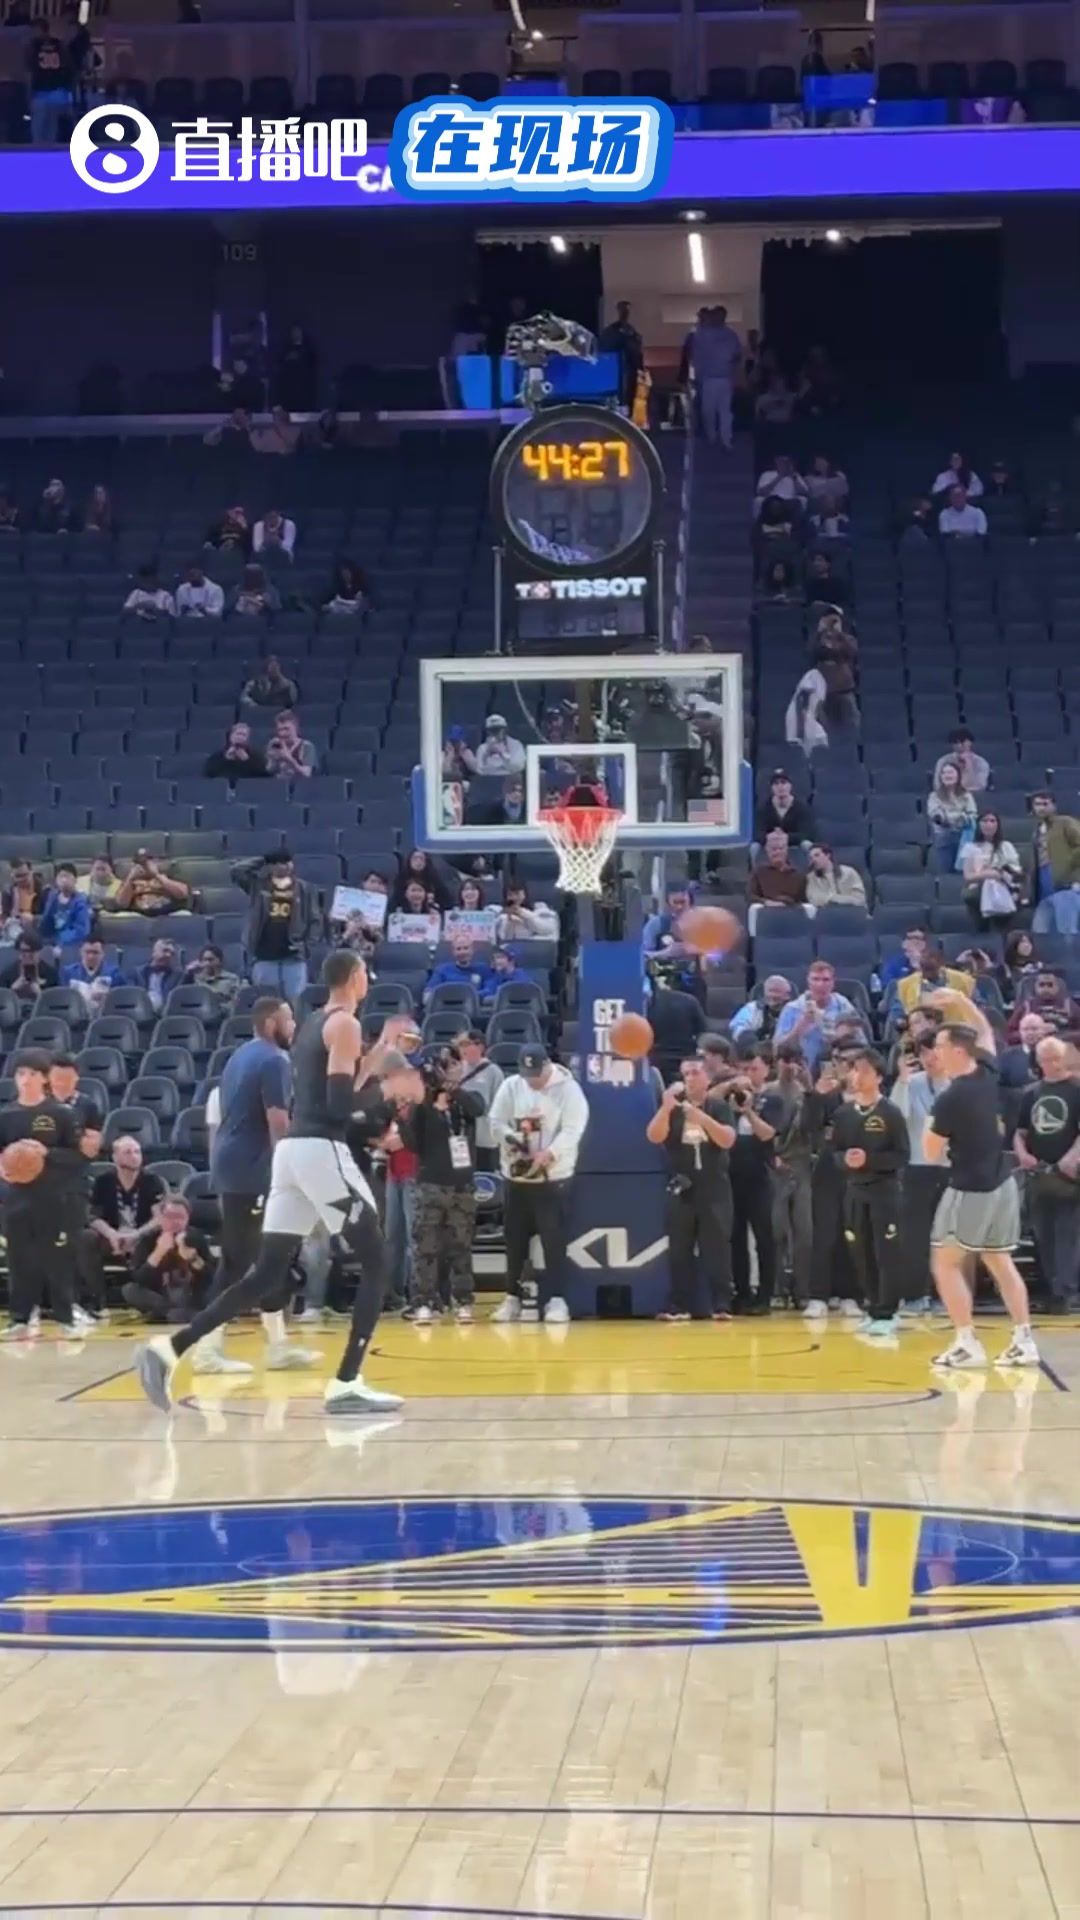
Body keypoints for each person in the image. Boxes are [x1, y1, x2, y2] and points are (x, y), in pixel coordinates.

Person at [133, 950, 408, 1416]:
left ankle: (167, 1351)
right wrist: (390, 1088)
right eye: (365, 973)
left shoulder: (314, 1023)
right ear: (355, 978)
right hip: (321, 1151)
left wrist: (381, 1050)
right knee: (377, 1259)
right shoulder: (345, 1024)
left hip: (291, 1156)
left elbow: (331, 1089)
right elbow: (340, 1108)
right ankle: (347, 1382)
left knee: (264, 1272)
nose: (368, 980)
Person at [192, 996, 319, 1375]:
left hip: (237, 1166)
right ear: (270, 1024)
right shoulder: (274, 1060)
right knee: (237, 1261)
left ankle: (278, 1346)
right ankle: (206, 1350)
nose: (294, 1026)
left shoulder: (239, 1056)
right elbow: (278, 1121)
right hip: (252, 1170)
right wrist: (292, 1171)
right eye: (289, 1020)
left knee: (271, 1258)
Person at [924, 1004, 1039, 1369]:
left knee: (945, 1264)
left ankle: (966, 1343)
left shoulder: (950, 1097)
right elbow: (985, 1032)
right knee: (999, 1260)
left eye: (940, 1046)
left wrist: (934, 1114)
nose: (934, 1053)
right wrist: (962, 1002)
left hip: (970, 1187)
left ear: (958, 1051)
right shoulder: (988, 1072)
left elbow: (930, 1152)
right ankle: (1024, 1341)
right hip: (1003, 1182)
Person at [487, 1044, 590, 1325]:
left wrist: (551, 1153)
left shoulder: (569, 1090)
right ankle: (512, 1297)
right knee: (514, 1239)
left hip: (553, 1177)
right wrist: (512, 1139)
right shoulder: (511, 1086)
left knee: (553, 1240)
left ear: (547, 1066)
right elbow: (495, 1121)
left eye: (536, 1074)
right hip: (517, 1176)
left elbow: (573, 1129)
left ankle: (557, 1298)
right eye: (527, 1074)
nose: (532, 1081)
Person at [0, 1050, 85, 1338]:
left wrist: (46, 1152)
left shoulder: (61, 1113)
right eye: (21, 1074)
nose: (26, 1079)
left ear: (45, 1078)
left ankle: (66, 1318)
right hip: (16, 1198)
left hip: (53, 1197)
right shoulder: (5, 1115)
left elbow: (78, 1158)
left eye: (33, 1074)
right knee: (18, 1260)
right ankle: (20, 1319)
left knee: (57, 1260)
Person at [647, 1056, 736, 1320]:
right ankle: (678, 1304)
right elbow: (654, 1136)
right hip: (682, 1184)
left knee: (716, 1246)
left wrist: (703, 1119)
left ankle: (722, 1303)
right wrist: (665, 1109)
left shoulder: (718, 1106)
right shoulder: (674, 1108)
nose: (690, 1078)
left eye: (695, 1073)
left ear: (707, 1078)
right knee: (679, 1247)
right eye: (685, 1074)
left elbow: (727, 1140)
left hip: (713, 1184)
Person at [401, 1045, 485, 1325]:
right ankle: (424, 1301)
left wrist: (452, 1090)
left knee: (460, 1245)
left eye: (454, 1065)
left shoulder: (466, 1100)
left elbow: (478, 1109)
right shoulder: (422, 1106)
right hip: (430, 1184)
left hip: (461, 1184)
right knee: (425, 1246)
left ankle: (463, 1300)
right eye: (446, 1066)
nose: (451, 1070)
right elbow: (412, 1143)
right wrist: (420, 1104)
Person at [830, 1049, 909, 1336]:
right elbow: (834, 1152)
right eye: (854, 1070)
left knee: (885, 1251)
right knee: (860, 1251)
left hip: (884, 1192)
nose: (857, 1076)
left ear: (878, 1077)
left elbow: (902, 1155)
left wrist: (870, 1160)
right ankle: (872, 1306)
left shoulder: (890, 1113)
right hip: (854, 1190)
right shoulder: (843, 1114)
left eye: (864, 1071)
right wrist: (845, 1160)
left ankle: (888, 1311)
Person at [1014, 1035, 1080, 1312]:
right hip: (1038, 1174)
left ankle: (1067, 1292)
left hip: (1070, 1175)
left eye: (1056, 1058)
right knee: (1043, 1234)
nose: (1052, 1064)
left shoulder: (1077, 1089)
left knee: (1068, 1235)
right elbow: (1020, 1132)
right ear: (1038, 1062)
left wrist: (1072, 1156)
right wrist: (1023, 1155)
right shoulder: (1031, 1093)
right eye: (1046, 1059)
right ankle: (1052, 1290)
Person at [891, 1027, 951, 1316]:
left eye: (934, 1049)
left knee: (948, 1236)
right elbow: (897, 1118)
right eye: (923, 1052)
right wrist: (902, 1081)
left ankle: (946, 1294)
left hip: (951, 1167)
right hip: (917, 1167)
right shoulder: (911, 1083)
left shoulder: (958, 1084)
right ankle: (915, 1294)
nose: (929, 1057)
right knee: (914, 1236)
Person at [80, 1135, 165, 1316]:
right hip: (111, 1238)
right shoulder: (103, 1181)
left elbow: (159, 1218)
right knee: (86, 1237)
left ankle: (148, 1298)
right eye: (128, 1152)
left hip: (142, 1237)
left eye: (137, 1152)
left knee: (159, 1236)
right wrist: (111, 1234)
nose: (134, 1156)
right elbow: (92, 1216)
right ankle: (98, 1301)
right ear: (115, 1157)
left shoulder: (152, 1180)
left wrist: (137, 1235)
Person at [726, 1046, 783, 1313]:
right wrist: (731, 1089)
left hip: (760, 1176)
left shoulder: (772, 1100)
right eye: (744, 1069)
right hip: (731, 1175)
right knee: (735, 1237)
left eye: (754, 1068)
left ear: (766, 1070)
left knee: (764, 1237)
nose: (749, 1074)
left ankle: (765, 1294)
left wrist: (748, 1111)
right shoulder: (727, 1097)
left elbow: (768, 1133)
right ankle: (741, 1292)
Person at [230, 849, 321, 1002]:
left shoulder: (304, 888)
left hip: (294, 956)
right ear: (271, 866)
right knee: (267, 1003)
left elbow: (315, 920)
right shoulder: (258, 885)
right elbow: (236, 871)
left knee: (296, 1003)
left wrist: (307, 947)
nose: (286, 866)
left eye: (288, 862)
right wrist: (263, 859)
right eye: (280, 863)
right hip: (264, 955)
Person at [122, 1195, 213, 1324]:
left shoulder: (196, 1237)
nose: (174, 1221)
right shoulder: (148, 1239)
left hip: (190, 1296)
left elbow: (211, 1275)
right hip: (160, 1297)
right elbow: (139, 1279)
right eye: (169, 1216)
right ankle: (170, 1312)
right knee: (129, 1290)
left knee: (215, 1290)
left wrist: (193, 1259)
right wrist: (158, 1253)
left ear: (188, 1219)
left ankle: (169, 1314)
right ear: (161, 1218)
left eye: (179, 1217)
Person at [774, 961, 859, 1074]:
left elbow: (861, 1045)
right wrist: (799, 1028)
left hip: (838, 1070)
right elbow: (777, 1048)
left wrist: (839, 1036)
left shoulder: (844, 1006)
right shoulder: (792, 1009)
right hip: (801, 1071)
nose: (820, 984)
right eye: (815, 979)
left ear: (833, 983)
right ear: (808, 982)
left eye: (825, 980)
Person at [688, 305, 742, 449]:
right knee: (708, 411)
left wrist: (733, 366)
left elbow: (737, 354)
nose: (720, 318)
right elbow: (695, 355)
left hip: (725, 377)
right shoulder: (702, 334)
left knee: (725, 412)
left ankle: (726, 440)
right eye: (717, 316)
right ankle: (711, 437)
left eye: (722, 316)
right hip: (708, 379)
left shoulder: (730, 334)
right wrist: (697, 375)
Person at [960, 810, 1022, 929]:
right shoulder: (970, 848)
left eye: (992, 821)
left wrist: (1001, 874)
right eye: (985, 821)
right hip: (978, 893)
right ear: (979, 824)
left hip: (1003, 889)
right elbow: (968, 876)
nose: (989, 824)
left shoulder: (1006, 846)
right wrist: (989, 874)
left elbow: (1016, 872)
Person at [1030, 790, 1080, 935]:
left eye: (1045, 804)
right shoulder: (1037, 830)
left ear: (1054, 806)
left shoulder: (1065, 822)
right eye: (1037, 804)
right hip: (1042, 880)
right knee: (1041, 929)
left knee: (1066, 928)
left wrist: (1068, 866)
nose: (1041, 808)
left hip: (1065, 881)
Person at [457, 1030, 504, 1172]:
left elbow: (499, 1106)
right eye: (459, 1045)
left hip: (485, 1138)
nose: (462, 1049)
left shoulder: (494, 1072)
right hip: (461, 1137)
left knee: (484, 1177)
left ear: (480, 1047)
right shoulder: (456, 1069)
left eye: (466, 1044)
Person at [892, 942, 975, 1018]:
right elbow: (896, 1015)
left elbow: (978, 1010)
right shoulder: (905, 985)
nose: (928, 974)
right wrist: (903, 1022)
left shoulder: (964, 981)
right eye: (925, 969)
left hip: (957, 1026)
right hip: (919, 1026)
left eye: (931, 969)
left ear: (941, 965)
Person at [747, 829, 808, 932]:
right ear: (767, 851)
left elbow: (803, 900)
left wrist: (788, 904)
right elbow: (750, 895)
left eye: (780, 849)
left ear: (786, 850)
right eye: (773, 849)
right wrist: (767, 902)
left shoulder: (798, 874)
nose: (777, 852)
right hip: (767, 914)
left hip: (791, 915)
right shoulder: (759, 872)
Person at [927, 759, 977, 874]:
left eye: (951, 772)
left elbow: (972, 815)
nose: (947, 775)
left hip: (964, 838)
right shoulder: (934, 796)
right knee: (945, 873)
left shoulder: (967, 796)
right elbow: (936, 816)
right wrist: (958, 817)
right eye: (944, 773)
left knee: (963, 873)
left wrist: (950, 818)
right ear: (940, 777)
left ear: (958, 776)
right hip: (943, 838)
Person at [27, 19, 72, 146]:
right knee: (52, 126)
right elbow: (68, 67)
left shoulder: (33, 46)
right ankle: (50, 149)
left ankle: (38, 150)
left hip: (40, 90)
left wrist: (29, 91)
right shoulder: (59, 45)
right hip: (57, 90)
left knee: (38, 128)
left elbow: (30, 68)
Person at [424, 931, 498, 1006]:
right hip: (448, 1007)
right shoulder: (441, 970)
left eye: (466, 948)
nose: (462, 952)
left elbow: (491, 989)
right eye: (458, 949)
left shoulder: (483, 969)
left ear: (472, 950)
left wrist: (469, 996)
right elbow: (428, 994)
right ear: (453, 952)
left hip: (474, 1008)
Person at [598, 299, 644, 410]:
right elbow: (605, 347)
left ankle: (626, 409)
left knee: (629, 392)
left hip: (629, 368)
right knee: (620, 392)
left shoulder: (630, 330)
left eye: (627, 310)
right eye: (624, 310)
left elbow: (636, 350)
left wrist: (640, 366)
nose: (626, 313)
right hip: (616, 368)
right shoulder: (612, 331)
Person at [115, 851, 190, 917]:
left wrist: (157, 875)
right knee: (121, 916)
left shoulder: (169, 875)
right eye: (140, 863)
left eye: (148, 861)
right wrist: (130, 878)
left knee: (184, 914)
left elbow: (182, 894)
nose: (145, 865)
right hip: (138, 916)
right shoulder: (130, 880)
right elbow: (122, 903)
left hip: (168, 914)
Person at [39, 864, 93, 954]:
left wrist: (61, 942)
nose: (64, 880)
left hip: (74, 943)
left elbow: (81, 930)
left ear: (75, 880)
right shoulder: (52, 897)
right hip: (52, 940)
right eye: (61, 876)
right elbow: (46, 922)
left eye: (67, 876)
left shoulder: (81, 900)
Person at [753, 770, 815, 848]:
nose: (780, 786)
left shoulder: (801, 808)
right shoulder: (763, 808)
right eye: (776, 783)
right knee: (754, 846)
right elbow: (758, 833)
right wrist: (769, 837)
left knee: (807, 844)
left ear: (790, 786)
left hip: (795, 847)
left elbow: (806, 834)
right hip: (770, 847)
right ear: (771, 788)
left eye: (783, 782)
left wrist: (786, 837)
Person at [729, 975, 793, 1045]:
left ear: (787, 995)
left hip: (786, 1048)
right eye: (770, 990)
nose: (772, 995)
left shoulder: (795, 1010)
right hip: (756, 1048)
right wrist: (748, 1037)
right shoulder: (752, 1008)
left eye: (777, 991)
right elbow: (737, 1027)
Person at [805, 844, 867, 910]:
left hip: (851, 911)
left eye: (817, 855)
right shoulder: (811, 877)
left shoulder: (849, 872)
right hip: (827, 913)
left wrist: (832, 898)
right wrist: (841, 899)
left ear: (828, 855)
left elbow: (859, 899)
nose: (813, 860)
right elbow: (814, 899)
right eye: (811, 858)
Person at [0, 932, 58, 1000]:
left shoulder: (51, 974)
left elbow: (55, 1002)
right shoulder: (7, 974)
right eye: (24, 951)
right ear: (19, 952)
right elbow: (2, 1002)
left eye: (31, 951)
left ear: (39, 951)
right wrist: (12, 990)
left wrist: (40, 993)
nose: (27, 955)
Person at [934, 728, 990, 795]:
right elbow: (937, 786)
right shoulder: (943, 761)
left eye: (962, 742)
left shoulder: (981, 762)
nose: (959, 746)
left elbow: (981, 786)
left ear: (970, 743)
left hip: (974, 797)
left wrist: (969, 764)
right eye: (955, 743)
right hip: (949, 797)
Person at [204, 722, 268, 780]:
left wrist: (246, 761)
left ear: (247, 739)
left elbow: (262, 775)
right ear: (230, 736)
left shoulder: (255, 756)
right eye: (238, 734)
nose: (240, 737)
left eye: (243, 735)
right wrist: (226, 759)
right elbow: (210, 772)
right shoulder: (218, 756)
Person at [134, 937, 183, 1013]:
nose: (168, 955)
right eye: (165, 951)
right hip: (140, 1012)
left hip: (165, 1013)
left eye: (172, 953)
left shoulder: (177, 976)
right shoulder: (138, 973)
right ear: (154, 952)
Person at [266, 711, 318, 780]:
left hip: (300, 784)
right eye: (280, 730)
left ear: (295, 728)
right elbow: (270, 771)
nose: (282, 733)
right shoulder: (275, 744)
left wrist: (289, 759)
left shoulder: (307, 746)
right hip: (279, 783)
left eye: (286, 729)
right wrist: (274, 760)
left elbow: (306, 774)